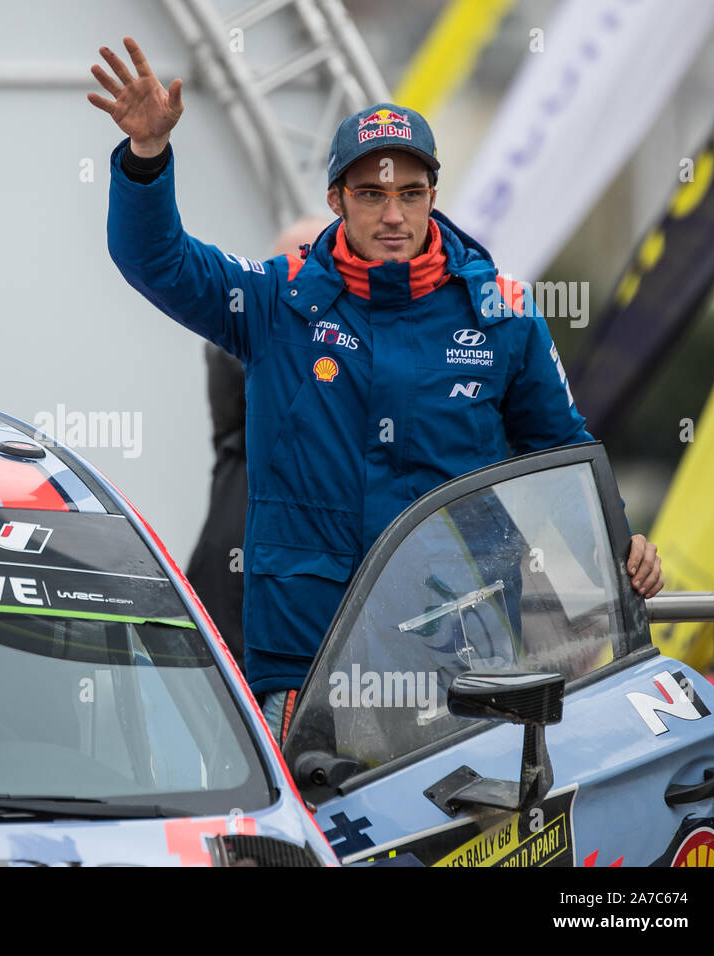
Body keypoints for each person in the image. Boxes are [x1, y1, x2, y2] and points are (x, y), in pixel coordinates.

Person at [88, 37, 664, 744]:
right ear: (336, 199)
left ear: (431, 195)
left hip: (463, 658)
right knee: (311, 853)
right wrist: (148, 157)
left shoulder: (502, 316)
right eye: (370, 194)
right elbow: (157, 260)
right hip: (309, 658)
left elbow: (565, 453)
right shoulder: (277, 301)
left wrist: (621, 545)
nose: (393, 215)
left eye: (410, 193)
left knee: (460, 848)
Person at [186, 217, 329, 676]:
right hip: (236, 559)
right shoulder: (249, 336)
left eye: (309, 260)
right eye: (286, 264)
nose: (296, 275)